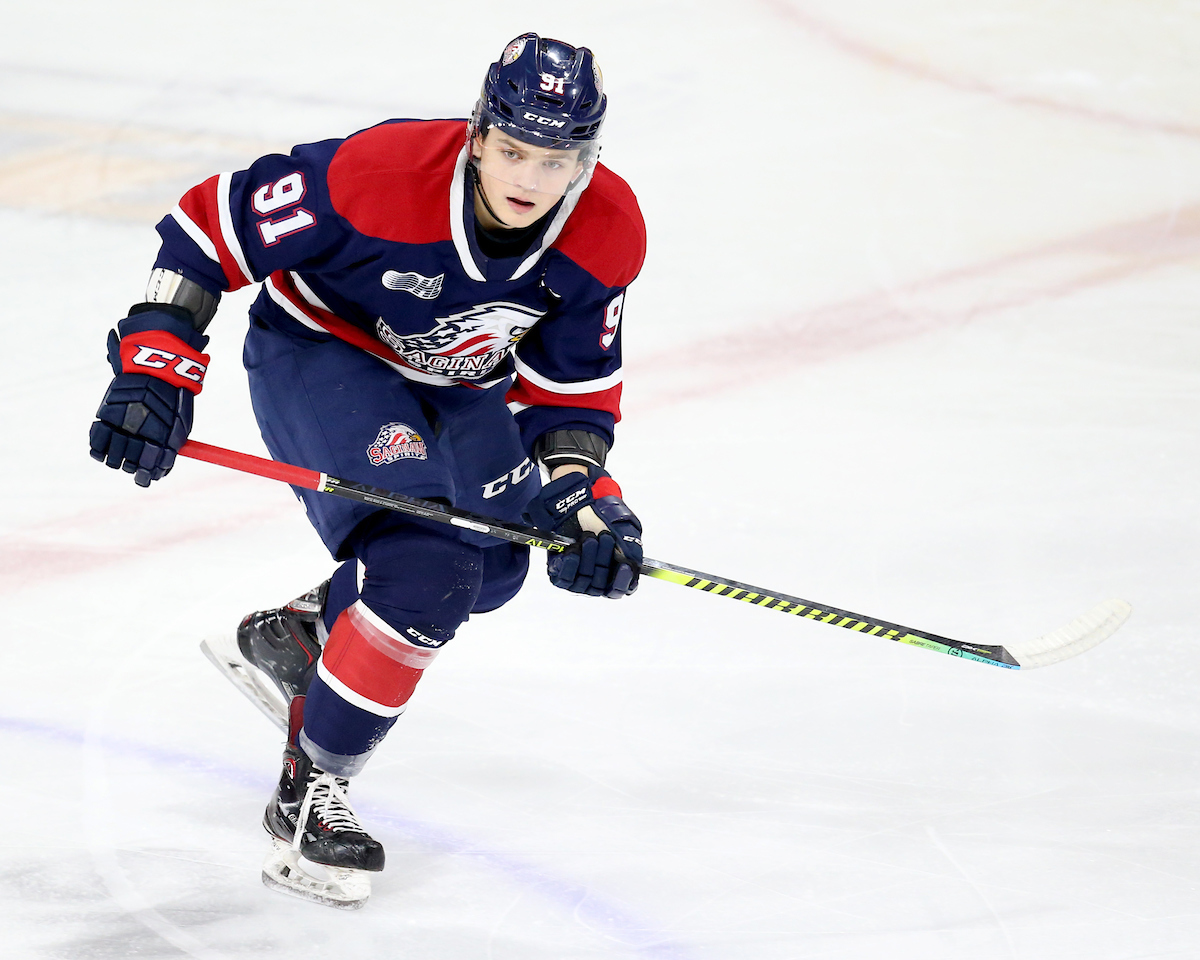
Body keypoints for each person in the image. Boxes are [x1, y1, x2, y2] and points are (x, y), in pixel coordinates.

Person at [88, 33, 646, 908]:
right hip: (323, 353)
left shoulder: (606, 228)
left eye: (558, 158)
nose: (531, 179)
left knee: (492, 569)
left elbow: (570, 395)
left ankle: (307, 636)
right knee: (429, 570)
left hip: (461, 384)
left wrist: (583, 501)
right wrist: (156, 361)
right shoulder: (377, 174)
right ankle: (310, 790)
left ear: (590, 156)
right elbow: (210, 224)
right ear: (477, 132)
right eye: (513, 150)